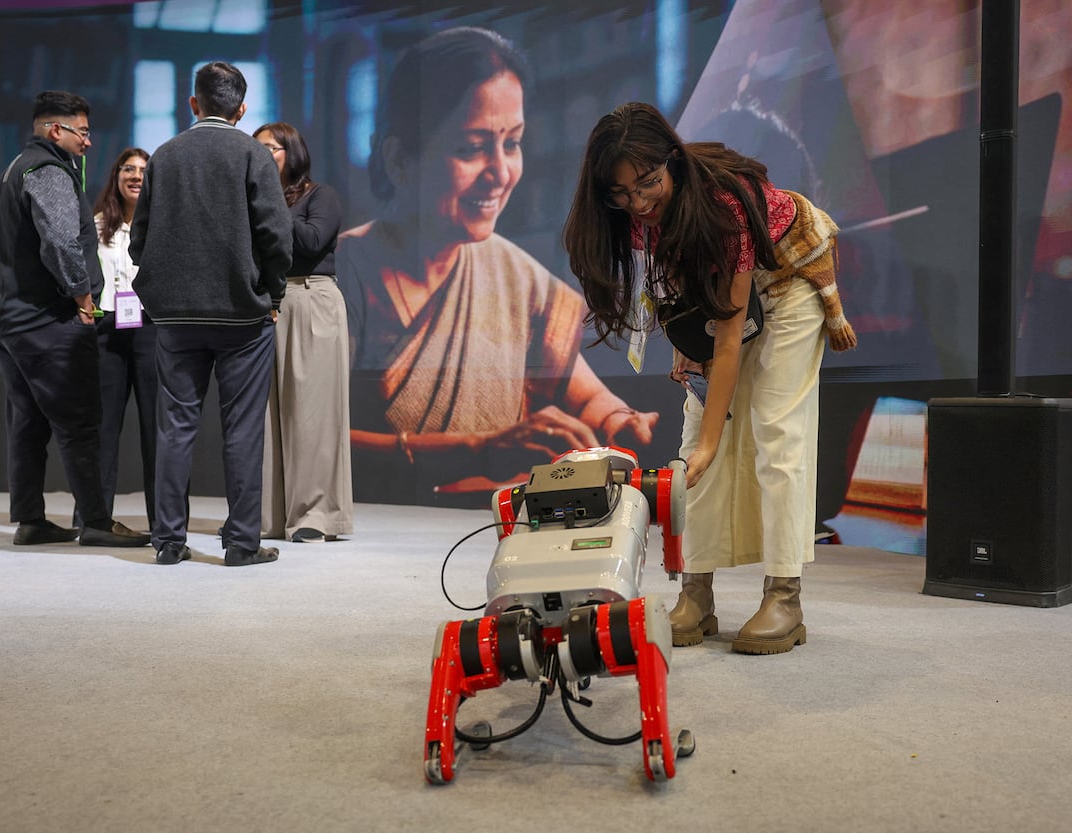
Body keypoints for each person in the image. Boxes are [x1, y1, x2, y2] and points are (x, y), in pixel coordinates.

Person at [563, 102, 857, 655]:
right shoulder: (634, 213)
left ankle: (784, 597)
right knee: (691, 445)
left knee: (775, 430)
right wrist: (685, 345)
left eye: (647, 184)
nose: (637, 203)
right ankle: (696, 594)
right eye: (620, 193)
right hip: (728, 294)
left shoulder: (722, 206)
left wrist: (712, 440)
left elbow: (729, 336)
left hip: (788, 281)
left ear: (671, 162)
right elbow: (682, 285)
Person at [337, 26, 658, 505]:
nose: (501, 172)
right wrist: (478, 451)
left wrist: (620, 421)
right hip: (386, 526)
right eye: (471, 148)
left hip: (504, 520)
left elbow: (587, 395)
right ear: (400, 159)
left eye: (512, 143)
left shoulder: (516, 279)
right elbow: (314, 438)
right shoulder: (346, 273)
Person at [129, 62, 293, 566]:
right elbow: (276, 237)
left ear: (193, 103)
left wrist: (159, 292)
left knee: (174, 427)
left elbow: (139, 240)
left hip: (176, 318)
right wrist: (272, 295)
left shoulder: (164, 155)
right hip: (243, 317)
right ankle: (242, 544)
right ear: (241, 109)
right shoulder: (252, 154)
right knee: (242, 430)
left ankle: (167, 541)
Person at [0, 90, 151, 549]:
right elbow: (59, 240)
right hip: (41, 321)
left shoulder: (16, 166)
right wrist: (83, 297)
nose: (89, 142)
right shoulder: (49, 170)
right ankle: (96, 521)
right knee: (79, 422)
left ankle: (31, 520)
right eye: (83, 132)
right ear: (56, 130)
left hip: (6, 321)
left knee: (28, 423)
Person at [253, 122, 354, 544]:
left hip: (311, 297)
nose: (261, 156)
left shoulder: (320, 196)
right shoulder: (253, 200)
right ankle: (270, 517)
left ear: (291, 153)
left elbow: (312, 242)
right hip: (265, 304)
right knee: (265, 417)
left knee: (311, 415)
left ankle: (316, 514)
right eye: (256, 149)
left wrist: (272, 203)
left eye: (270, 149)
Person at [90, 148, 159, 529]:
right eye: (128, 169)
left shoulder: (162, 224)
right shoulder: (97, 225)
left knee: (157, 428)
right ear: (116, 177)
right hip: (107, 330)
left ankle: (165, 521)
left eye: (143, 171)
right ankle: (94, 518)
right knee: (103, 427)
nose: (135, 176)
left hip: (150, 328)